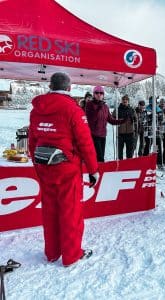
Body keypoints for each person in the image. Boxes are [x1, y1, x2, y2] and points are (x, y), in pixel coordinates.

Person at [28, 72, 99, 267]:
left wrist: (38, 165)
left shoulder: (36, 110)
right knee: (71, 212)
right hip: (67, 168)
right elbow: (85, 143)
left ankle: (51, 253)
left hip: (44, 166)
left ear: (51, 86)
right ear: (69, 88)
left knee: (49, 211)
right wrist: (93, 169)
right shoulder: (73, 110)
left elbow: (32, 142)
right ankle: (71, 255)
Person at [85, 86, 126, 162]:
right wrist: (98, 108)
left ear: (103, 95)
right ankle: (96, 173)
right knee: (99, 158)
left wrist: (123, 120)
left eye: (101, 93)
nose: (99, 94)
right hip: (93, 135)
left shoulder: (105, 106)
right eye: (97, 93)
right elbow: (91, 120)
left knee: (101, 157)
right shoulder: (89, 104)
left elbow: (111, 120)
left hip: (102, 135)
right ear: (94, 94)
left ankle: (99, 172)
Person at [112, 95, 138, 159]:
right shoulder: (118, 110)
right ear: (122, 101)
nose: (125, 101)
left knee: (130, 151)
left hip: (130, 133)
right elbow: (112, 118)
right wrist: (116, 119)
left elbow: (136, 119)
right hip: (120, 133)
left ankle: (129, 164)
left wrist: (134, 119)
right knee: (120, 151)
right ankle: (120, 164)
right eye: (124, 100)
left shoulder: (132, 110)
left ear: (128, 101)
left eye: (126, 100)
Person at [143, 96, 163, 168]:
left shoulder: (158, 109)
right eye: (151, 101)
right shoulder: (147, 109)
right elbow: (144, 119)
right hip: (148, 131)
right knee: (147, 146)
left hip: (157, 131)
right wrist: (150, 116)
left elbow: (161, 119)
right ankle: (145, 162)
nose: (153, 103)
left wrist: (158, 116)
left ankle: (159, 162)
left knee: (157, 147)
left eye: (154, 101)